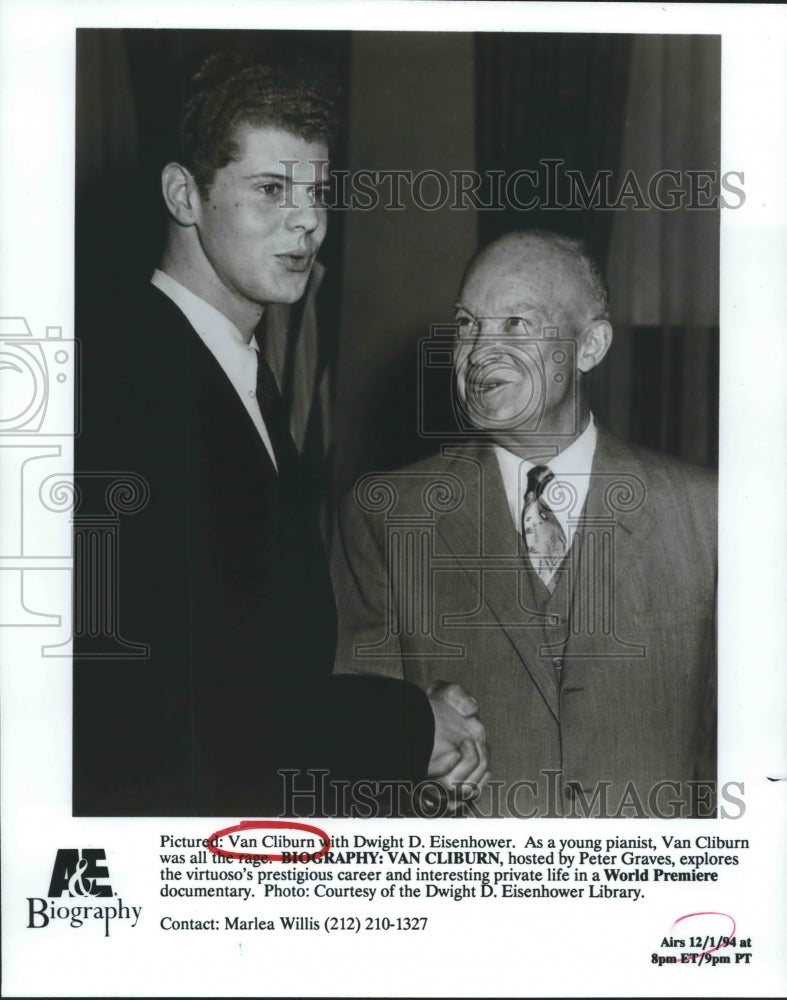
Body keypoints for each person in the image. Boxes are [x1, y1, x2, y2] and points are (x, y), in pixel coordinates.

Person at [73, 47, 487, 817]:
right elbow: (173, 705)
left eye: (317, 192)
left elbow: (252, 656)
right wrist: (411, 726)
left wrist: (416, 718)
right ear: (184, 194)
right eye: (270, 190)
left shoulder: (228, 368)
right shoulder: (130, 387)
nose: (309, 222)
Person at [332, 229, 717, 818]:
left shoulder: (706, 514)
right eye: (467, 324)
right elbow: (355, 750)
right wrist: (411, 732)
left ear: (590, 346)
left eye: (516, 323)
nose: (480, 351)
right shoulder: (386, 515)